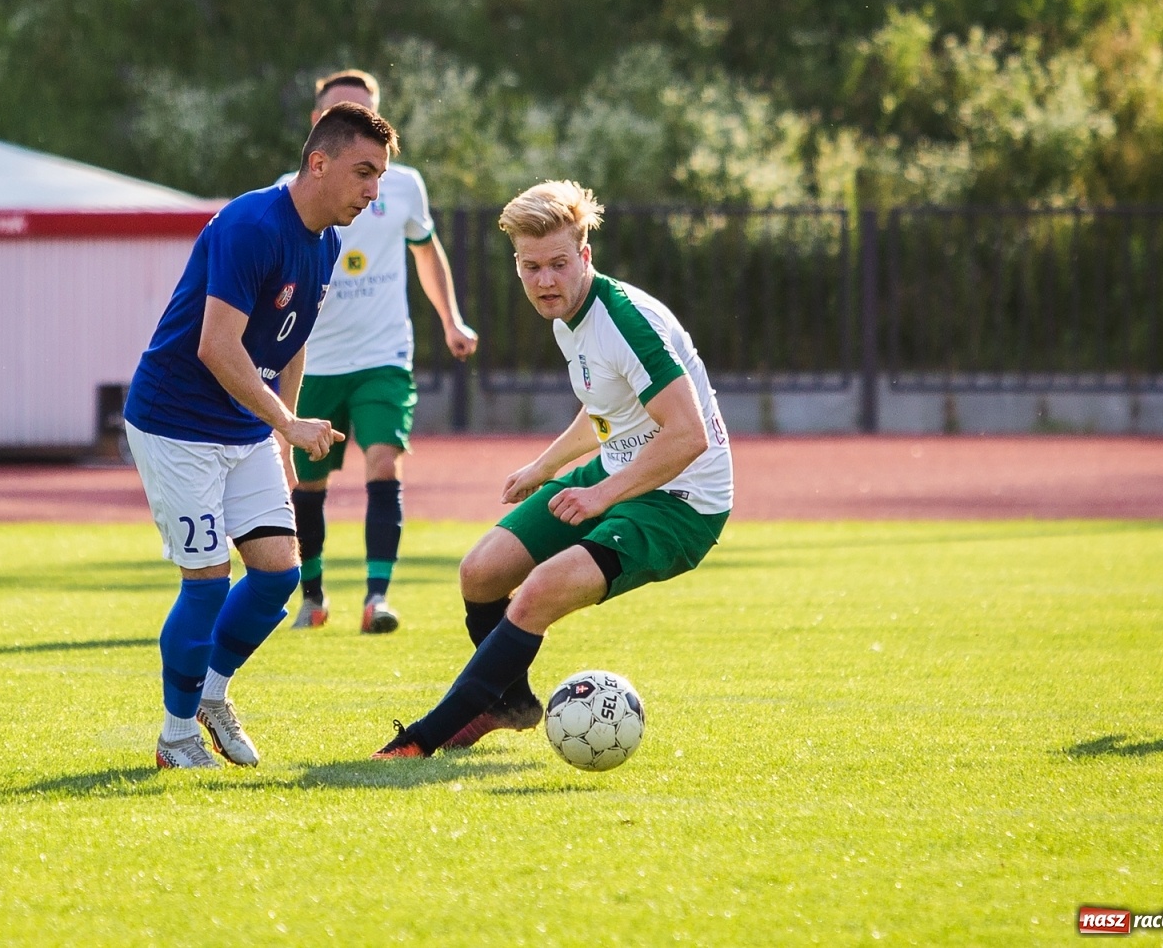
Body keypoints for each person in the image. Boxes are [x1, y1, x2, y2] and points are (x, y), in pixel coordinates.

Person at [373, 180, 733, 759]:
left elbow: (687, 436)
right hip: (618, 472)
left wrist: (602, 496)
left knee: (537, 592)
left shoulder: (624, 322)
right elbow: (606, 407)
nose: (544, 281)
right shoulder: (571, 315)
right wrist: (545, 466)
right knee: (482, 572)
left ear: (584, 256)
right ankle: (508, 703)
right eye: (530, 266)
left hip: (681, 502)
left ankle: (425, 739)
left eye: (559, 264)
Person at [124, 102, 399, 770]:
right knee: (208, 584)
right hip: (176, 423)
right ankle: (175, 735)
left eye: (380, 177)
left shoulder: (328, 239)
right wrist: (286, 421)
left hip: (247, 427)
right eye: (364, 173)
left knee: (278, 576)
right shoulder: (253, 224)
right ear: (319, 162)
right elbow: (216, 347)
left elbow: (292, 337)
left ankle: (211, 695)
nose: (373, 191)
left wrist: (284, 428)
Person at [277, 70, 478, 635]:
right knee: (306, 484)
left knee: (384, 459)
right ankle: (312, 598)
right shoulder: (288, 191)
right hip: (312, 361)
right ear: (319, 126)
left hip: (384, 356)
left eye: (367, 113)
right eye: (342, 111)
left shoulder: (404, 185)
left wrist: (451, 320)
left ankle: (377, 598)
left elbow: (427, 252)